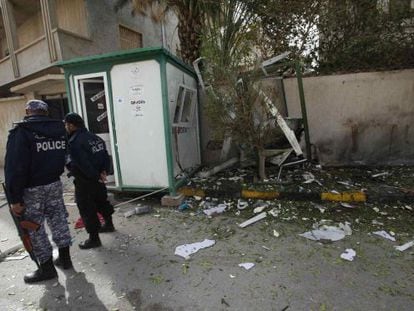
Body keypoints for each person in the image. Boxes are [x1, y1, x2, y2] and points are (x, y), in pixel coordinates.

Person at [4, 100, 73, 284]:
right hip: (54, 184)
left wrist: (14, 198)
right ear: (46, 112)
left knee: (34, 228)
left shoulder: (22, 132)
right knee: (58, 220)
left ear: (28, 111)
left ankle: (47, 269)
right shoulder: (60, 130)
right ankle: (65, 259)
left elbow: (14, 168)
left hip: (31, 189)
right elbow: (67, 156)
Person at [64, 112, 115, 249]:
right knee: (101, 202)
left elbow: (82, 164)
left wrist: (95, 176)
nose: (65, 127)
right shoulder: (95, 138)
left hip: (85, 181)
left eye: (66, 124)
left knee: (87, 209)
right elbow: (105, 156)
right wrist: (103, 172)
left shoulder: (74, 142)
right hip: (98, 179)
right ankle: (109, 224)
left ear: (71, 125)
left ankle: (94, 238)